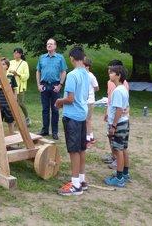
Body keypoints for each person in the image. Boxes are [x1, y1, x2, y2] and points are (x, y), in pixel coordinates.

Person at [54, 46, 90, 195]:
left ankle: (75, 185)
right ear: (83, 58)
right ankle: (81, 179)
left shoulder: (72, 75)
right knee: (81, 148)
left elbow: (70, 99)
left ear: (72, 59)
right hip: (82, 114)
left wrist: (59, 102)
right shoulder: (87, 74)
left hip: (72, 117)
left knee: (74, 150)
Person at [104, 64, 131, 187]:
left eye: (111, 73)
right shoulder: (122, 89)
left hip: (119, 123)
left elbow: (119, 110)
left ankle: (119, 178)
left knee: (118, 150)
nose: (109, 74)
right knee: (123, 148)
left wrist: (113, 126)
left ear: (118, 75)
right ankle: (125, 173)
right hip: (125, 122)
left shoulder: (118, 91)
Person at [36, 38, 68, 140]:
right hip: (44, 85)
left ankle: (55, 132)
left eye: (51, 44)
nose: (49, 45)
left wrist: (60, 85)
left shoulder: (60, 58)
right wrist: (38, 84)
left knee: (55, 109)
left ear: (55, 46)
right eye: (47, 44)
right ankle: (45, 130)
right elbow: (38, 71)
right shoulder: (42, 57)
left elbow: (63, 71)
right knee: (45, 109)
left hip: (55, 86)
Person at [8, 47, 31, 126]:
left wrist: (17, 74)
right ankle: (14, 119)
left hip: (20, 86)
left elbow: (26, 75)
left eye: (16, 53)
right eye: (14, 53)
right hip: (11, 86)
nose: (15, 54)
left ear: (20, 54)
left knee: (20, 103)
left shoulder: (24, 63)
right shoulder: (10, 62)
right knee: (13, 103)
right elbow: (6, 71)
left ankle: (27, 118)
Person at [0, 58, 18, 135]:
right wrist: (1, 86)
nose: (1, 65)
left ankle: (12, 135)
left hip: (8, 102)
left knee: (10, 120)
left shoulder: (11, 76)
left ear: (7, 66)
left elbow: (15, 88)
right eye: (0, 64)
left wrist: (15, 99)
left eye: (3, 64)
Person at [83, 56, 99, 146]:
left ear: (88, 66)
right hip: (86, 101)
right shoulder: (83, 75)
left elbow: (97, 87)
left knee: (87, 120)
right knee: (88, 120)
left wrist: (91, 91)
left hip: (89, 101)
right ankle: (91, 136)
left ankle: (88, 138)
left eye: (85, 65)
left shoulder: (90, 76)